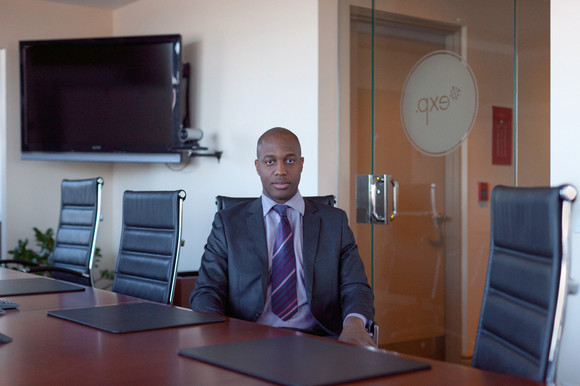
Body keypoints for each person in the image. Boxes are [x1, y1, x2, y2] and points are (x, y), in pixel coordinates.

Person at [190, 127, 375, 348]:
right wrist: (217, 335)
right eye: (270, 162)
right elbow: (207, 290)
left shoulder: (334, 222)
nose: (280, 170)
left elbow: (355, 286)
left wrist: (354, 324)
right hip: (248, 341)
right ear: (257, 167)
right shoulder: (228, 224)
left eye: (289, 161)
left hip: (318, 340)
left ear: (301, 164)